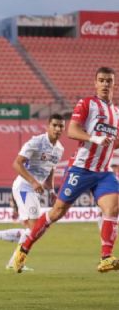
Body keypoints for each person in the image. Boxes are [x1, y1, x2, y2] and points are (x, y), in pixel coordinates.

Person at [13, 67, 119, 273]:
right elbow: (72, 130)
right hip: (81, 169)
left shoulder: (116, 113)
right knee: (56, 212)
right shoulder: (87, 103)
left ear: (114, 84)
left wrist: (109, 142)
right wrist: (93, 138)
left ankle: (106, 257)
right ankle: (24, 248)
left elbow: (114, 143)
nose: (105, 84)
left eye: (109, 81)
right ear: (95, 83)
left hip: (104, 172)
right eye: (101, 80)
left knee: (113, 208)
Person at [0, 114, 65, 271]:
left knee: (35, 230)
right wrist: (33, 182)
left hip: (35, 190)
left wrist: (51, 190)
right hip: (24, 186)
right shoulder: (36, 142)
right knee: (34, 230)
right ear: (48, 126)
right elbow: (16, 164)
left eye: (61, 126)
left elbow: (51, 168)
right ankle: (15, 262)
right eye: (55, 125)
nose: (58, 129)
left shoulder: (59, 149)